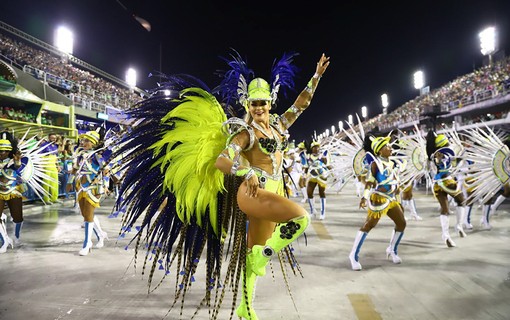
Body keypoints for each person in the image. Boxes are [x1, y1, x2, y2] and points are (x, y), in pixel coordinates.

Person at [111, 52, 330, 320]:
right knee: (301, 219)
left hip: (272, 191)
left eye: (262, 102)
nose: (258, 108)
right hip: (252, 194)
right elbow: (222, 161)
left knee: (251, 256)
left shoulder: (280, 126)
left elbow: (301, 104)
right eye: (253, 104)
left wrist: (316, 76)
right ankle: (265, 254)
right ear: (247, 105)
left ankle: (245, 308)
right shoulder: (245, 133)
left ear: (270, 103)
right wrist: (247, 170)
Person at [348, 134, 406, 271]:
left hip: (391, 199)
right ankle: (353, 255)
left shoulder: (393, 163)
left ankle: (392, 250)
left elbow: (395, 183)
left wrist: (398, 198)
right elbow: (370, 182)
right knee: (368, 225)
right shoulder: (375, 164)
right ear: (380, 150)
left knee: (402, 223)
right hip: (379, 198)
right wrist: (364, 197)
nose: (390, 147)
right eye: (387, 146)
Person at [426, 131, 467, 248]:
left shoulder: (440, 154)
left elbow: (453, 162)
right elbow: (439, 162)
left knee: (445, 209)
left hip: (437, 184)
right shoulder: (439, 154)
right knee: (462, 200)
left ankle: (446, 235)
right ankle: (458, 226)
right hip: (447, 182)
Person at [72, 129, 109, 256]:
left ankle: (87, 244)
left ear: (93, 143)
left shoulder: (97, 156)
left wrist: (106, 184)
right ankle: (100, 234)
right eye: (83, 140)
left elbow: (106, 171)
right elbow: (75, 170)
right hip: (81, 187)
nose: (83, 142)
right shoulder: (80, 155)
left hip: (93, 188)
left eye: (87, 141)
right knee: (85, 215)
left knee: (88, 215)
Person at [0, 133, 24, 252]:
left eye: (4, 151)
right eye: (0, 151)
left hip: (13, 191)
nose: (2, 153)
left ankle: (16, 236)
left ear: (9, 152)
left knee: (18, 217)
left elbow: (17, 166)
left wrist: (18, 161)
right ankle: (4, 241)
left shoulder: (12, 162)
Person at [305, 141, 332, 220]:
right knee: (309, 192)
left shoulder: (322, 156)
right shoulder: (308, 156)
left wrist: (333, 172)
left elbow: (327, 165)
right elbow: (307, 166)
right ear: (311, 148)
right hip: (312, 176)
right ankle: (313, 211)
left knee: (321, 193)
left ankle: (322, 212)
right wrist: (304, 174)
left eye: (317, 147)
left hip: (322, 176)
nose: (316, 149)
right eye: (314, 147)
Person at [39, 133, 60, 203]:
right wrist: (41, 165)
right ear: (49, 138)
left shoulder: (55, 146)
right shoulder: (44, 145)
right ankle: (46, 199)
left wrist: (58, 166)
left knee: (55, 182)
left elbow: (56, 157)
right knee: (46, 183)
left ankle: (54, 198)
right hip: (46, 165)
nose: (53, 139)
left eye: (54, 138)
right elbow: (39, 155)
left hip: (53, 165)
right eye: (52, 138)